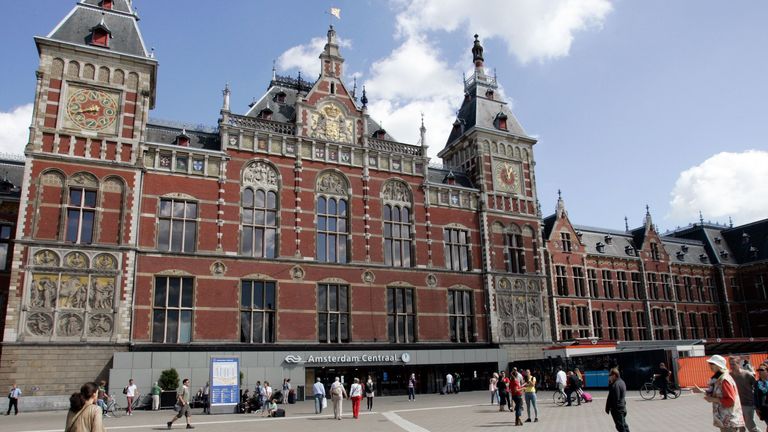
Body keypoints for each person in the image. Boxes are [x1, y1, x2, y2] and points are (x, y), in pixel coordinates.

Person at [693, 354, 745, 431]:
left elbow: (730, 401)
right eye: (709, 363)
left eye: (712, 364)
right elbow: (715, 394)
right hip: (725, 420)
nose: (710, 365)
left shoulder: (724, 379)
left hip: (729, 421)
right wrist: (701, 391)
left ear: (719, 365)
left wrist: (714, 400)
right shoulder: (718, 378)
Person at [729, 356, 760, 432]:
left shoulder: (747, 374)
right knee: (741, 427)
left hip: (748, 404)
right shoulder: (729, 375)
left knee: (751, 427)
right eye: (730, 364)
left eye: (733, 364)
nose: (731, 366)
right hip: (737, 405)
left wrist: (757, 402)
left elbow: (757, 387)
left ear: (738, 364)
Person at [754, 364, 768, 429]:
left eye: (762, 370)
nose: (759, 371)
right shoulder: (757, 383)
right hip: (763, 409)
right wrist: (757, 408)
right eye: (759, 370)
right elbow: (755, 396)